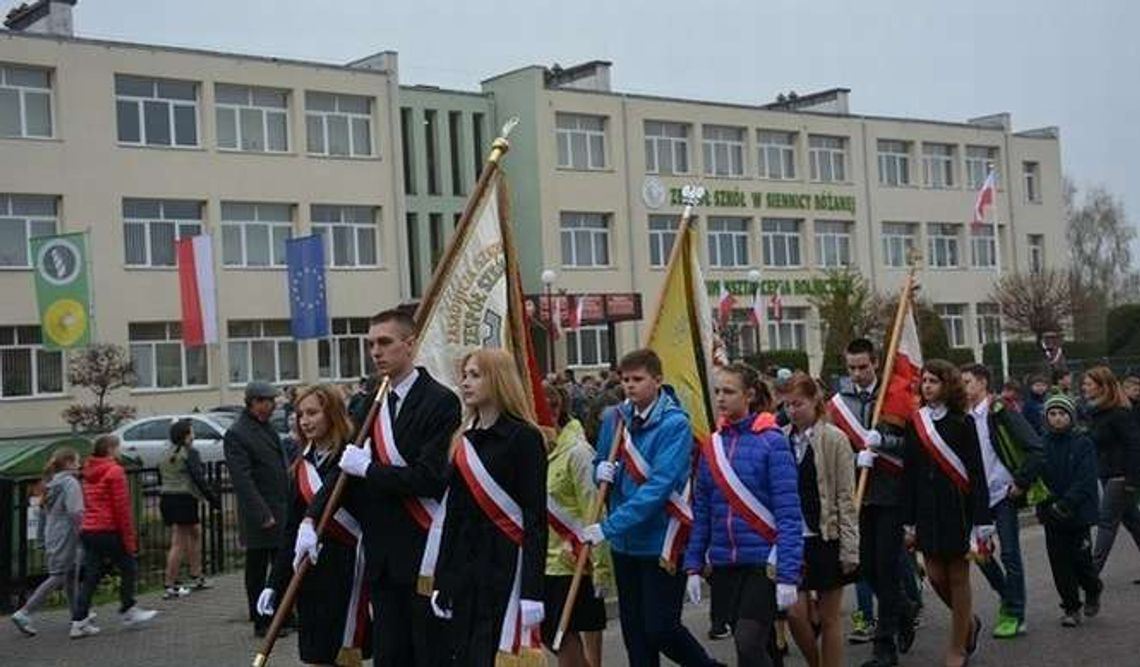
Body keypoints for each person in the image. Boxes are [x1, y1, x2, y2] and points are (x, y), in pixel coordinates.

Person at [296, 309, 461, 666]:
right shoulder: (369, 402)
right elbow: (345, 473)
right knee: (390, 658)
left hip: (423, 553)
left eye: (384, 342)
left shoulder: (440, 401)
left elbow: (428, 478)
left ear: (409, 344)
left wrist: (369, 469)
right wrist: (310, 520)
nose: (375, 351)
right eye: (371, 344)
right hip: (381, 558)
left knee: (430, 657)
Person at [585, 348, 723, 667]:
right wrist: (600, 471)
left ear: (657, 380)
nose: (630, 386)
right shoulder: (615, 418)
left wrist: (608, 527)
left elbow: (659, 488)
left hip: (660, 539)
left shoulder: (674, 424)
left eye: (638, 379)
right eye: (625, 380)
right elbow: (602, 462)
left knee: (661, 628)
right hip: (625, 544)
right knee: (635, 636)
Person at [427, 349, 548, 666]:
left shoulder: (524, 437)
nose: (465, 383)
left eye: (475, 375)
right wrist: (443, 579)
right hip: (467, 567)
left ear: (498, 380)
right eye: (464, 375)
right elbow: (452, 516)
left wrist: (533, 590)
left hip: (507, 566)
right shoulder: (462, 439)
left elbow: (535, 519)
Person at [682, 363, 802, 667]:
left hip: (765, 562)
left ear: (748, 395)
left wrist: (788, 574)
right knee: (755, 648)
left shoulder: (772, 442)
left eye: (729, 391)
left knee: (748, 642)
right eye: (718, 391)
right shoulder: (713, 446)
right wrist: (694, 564)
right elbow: (703, 510)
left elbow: (789, 514)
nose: (721, 398)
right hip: (725, 562)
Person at [259, 384, 370, 666]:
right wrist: (275, 583)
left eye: (312, 413)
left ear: (331, 413)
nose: (305, 421)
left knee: (345, 656)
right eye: (300, 414)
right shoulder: (301, 466)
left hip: (347, 570)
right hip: (311, 574)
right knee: (316, 656)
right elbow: (291, 529)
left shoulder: (351, 456)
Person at [832, 338, 916, 666]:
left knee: (885, 564)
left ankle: (884, 647)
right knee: (865, 567)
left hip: (891, 495)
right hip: (859, 494)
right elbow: (836, 444)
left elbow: (912, 445)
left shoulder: (895, 395)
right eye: (852, 368)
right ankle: (905, 609)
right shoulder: (841, 402)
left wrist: (884, 442)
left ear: (876, 362)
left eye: (863, 367)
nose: (857, 374)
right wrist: (855, 457)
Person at [902, 360, 992, 667]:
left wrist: (983, 520)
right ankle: (968, 623)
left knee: (957, 578)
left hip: (957, 509)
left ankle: (957, 649)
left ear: (948, 385)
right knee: (935, 576)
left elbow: (977, 472)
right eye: (924, 380)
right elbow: (910, 472)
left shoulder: (961, 422)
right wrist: (909, 519)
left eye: (934, 381)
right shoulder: (916, 422)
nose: (927, 386)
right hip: (926, 510)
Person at [960, 364, 1044, 639]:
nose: (963, 387)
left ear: (983, 382)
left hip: (1003, 494)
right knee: (981, 555)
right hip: (977, 498)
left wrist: (1020, 481)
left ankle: (1015, 614)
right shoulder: (963, 417)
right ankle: (1007, 596)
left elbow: (1035, 447)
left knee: (1009, 553)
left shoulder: (1000, 411)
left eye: (968, 381)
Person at [783, 372, 858, 667]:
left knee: (829, 618)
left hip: (826, 536)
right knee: (794, 612)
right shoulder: (780, 438)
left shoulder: (835, 439)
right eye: (787, 405)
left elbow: (844, 497)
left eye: (798, 404)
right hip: (792, 539)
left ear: (815, 401)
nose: (792, 411)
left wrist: (849, 548)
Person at [541, 382, 612, 667]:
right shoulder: (530, 450)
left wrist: (601, 568)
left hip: (570, 561)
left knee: (562, 638)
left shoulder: (578, 452)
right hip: (540, 561)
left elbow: (594, 511)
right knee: (550, 636)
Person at [71, 435, 158, 638]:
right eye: (118, 448)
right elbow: (121, 507)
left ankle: (79, 620)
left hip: (89, 529)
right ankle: (128, 608)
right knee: (128, 567)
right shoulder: (115, 471)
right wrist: (129, 538)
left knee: (91, 575)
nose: (120, 451)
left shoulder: (88, 471)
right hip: (109, 529)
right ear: (110, 449)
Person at [224, 380, 290, 637]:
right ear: (253, 402)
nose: (271, 406)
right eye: (266, 401)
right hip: (261, 514)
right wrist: (262, 513)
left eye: (272, 401)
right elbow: (242, 479)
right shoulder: (238, 434)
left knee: (281, 565)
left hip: (279, 507)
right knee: (258, 569)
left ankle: (283, 615)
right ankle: (261, 620)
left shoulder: (266, 428)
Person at [1036, 393, 1103, 626]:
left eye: (1062, 414)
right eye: (1052, 414)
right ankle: (1071, 607)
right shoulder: (1041, 444)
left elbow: (1085, 479)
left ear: (1071, 417)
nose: (1056, 418)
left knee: (1081, 561)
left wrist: (1067, 503)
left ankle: (1093, 588)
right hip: (1051, 515)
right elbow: (1037, 478)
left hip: (1077, 515)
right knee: (1060, 564)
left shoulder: (1082, 442)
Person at [11, 447, 84, 637]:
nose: (80, 465)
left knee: (70, 576)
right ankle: (25, 612)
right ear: (68, 464)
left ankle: (77, 616)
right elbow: (76, 512)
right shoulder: (70, 483)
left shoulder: (50, 483)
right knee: (58, 575)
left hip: (54, 534)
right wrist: (84, 533)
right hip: (67, 535)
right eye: (77, 461)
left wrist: (42, 539)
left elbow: (42, 513)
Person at [1081, 366, 1140, 574]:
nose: (1084, 388)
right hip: (1107, 474)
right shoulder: (1096, 412)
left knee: (1106, 523)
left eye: (1089, 384)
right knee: (1133, 521)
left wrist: (1132, 480)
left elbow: (1134, 445)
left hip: (1120, 476)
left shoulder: (1119, 414)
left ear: (1102, 387)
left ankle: (1092, 574)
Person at [159, 419, 220, 599]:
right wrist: (212, 499)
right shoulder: (190, 453)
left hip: (167, 497)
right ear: (186, 436)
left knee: (195, 532)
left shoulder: (166, 453)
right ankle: (169, 584)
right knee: (179, 541)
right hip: (184, 498)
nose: (194, 435)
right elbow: (198, 478)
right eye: (192, 432)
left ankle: (197, 575)